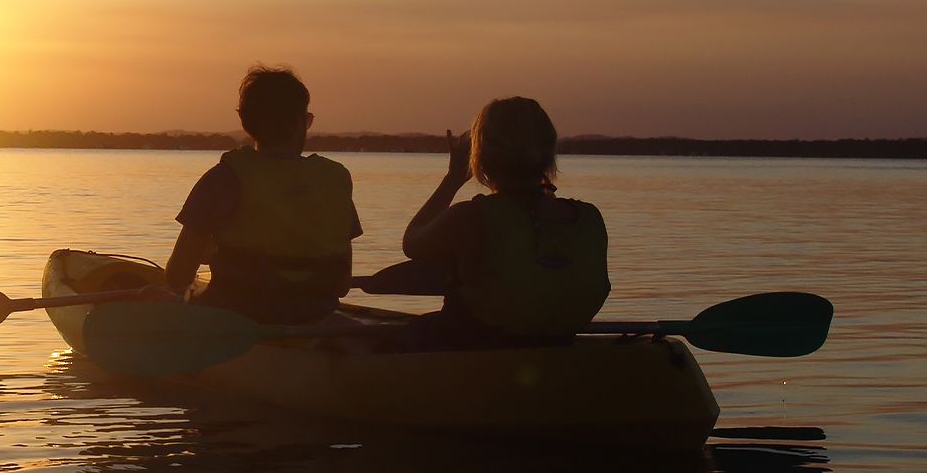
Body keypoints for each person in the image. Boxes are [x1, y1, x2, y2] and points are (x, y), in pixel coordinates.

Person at [399, 96, 609, 349]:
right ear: (548, 151)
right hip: (559, 345)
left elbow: (412, 243)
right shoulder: (589, 218)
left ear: (480, 154)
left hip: (479, 349)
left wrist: (453, 178)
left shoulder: (469, 218)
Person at [160, 65, 362, 324]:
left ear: (245, 122)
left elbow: (178, 276)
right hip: (316, 313)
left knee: (159, 294)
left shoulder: (223, 178)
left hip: (239, 314)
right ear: (303, 122)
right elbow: (342, 284)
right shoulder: (335, 179)